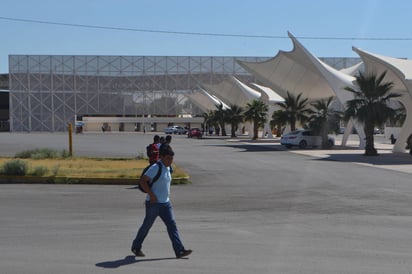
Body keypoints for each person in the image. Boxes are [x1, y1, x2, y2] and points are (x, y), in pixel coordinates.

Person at [131, 144, 192, 258]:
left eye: (172, 158)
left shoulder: (169, 168)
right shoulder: (156, 167)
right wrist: (151, 195)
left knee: (172, 225)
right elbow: (143, 181)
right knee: (146, 226)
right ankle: (136, 246)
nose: (170, 161)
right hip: (153, 204)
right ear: (162, 157)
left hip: (165, 204)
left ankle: (179, 251)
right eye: (168, 158)